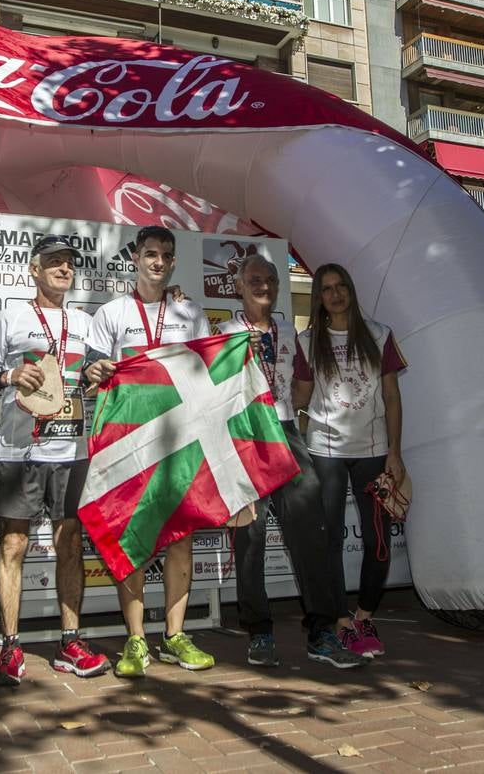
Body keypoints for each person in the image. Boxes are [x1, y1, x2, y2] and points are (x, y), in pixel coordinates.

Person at [216, 256, 362, 670]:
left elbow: (302, 384)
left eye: (270, 280)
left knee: (311, 537)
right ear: (240, 288)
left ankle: (322, 634)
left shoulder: (288, 331)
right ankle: (259, 632)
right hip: (245, 437)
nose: (263, 286)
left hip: (284, 431)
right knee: (250, 539)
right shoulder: (225, 332)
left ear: (278, 287)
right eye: (254, 280)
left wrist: (284, 410)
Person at [84, 225, 215, 677]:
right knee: (134, 539)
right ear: (135, 257)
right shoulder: (111, 312)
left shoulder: (190, 312)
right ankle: (136, 641)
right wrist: (96, 370)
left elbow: (206, 374)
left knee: (181, 539)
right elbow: (89, 372)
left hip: (180, 439)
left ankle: (175, 636)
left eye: (165, 255)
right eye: (150, 253)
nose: (158, 261)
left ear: (174, 262)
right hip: (129, 444)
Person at [0, 235, 111, 685]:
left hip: (72, 450)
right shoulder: (10, 316)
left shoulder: (85, 320)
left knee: (70, 543)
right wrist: (9, 374)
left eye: (69, 263)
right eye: (53, 262)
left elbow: (95, 370)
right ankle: (10, 647)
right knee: (13, 545)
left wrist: (95, 371)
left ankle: (70, 641)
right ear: (33, 270)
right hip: (20, 450)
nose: (63, 269)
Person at [299, 263, 408, 658]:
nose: (335, 293)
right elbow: (300, 395)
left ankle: (364, 616)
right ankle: (341, 621)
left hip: (374, 450)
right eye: (326, 288)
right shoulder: (307, 339)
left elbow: (392, 397)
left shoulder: (379, 334)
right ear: (319, 298)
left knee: (378, 538)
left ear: (351, 290)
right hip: (325, 450)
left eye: (341, 285)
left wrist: (394, 452)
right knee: (327, 540)